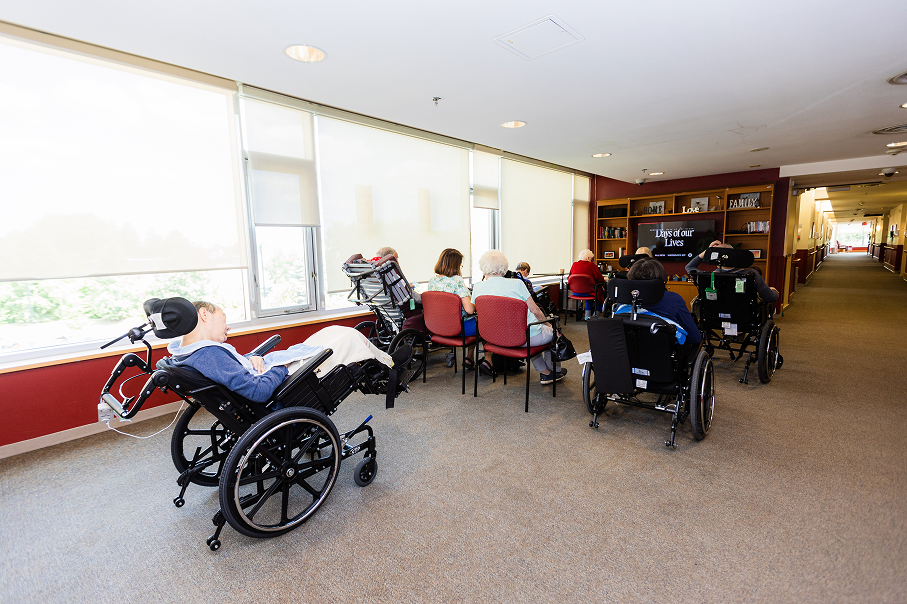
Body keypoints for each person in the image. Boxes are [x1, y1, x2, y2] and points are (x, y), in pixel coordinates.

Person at [168, 301, 392, 403]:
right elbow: (258, 392)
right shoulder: (208, 355)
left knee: (330, 331)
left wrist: (252, 357)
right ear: (205, 315)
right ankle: (388, 364)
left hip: (265, 370)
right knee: (347, 336)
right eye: (224, 318)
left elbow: (233, 368)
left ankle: (383, 359)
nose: (227, 326)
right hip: (282, 386)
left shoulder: (188, 352)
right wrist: (281, 366)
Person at [472, 250, 565, 384]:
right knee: (554, 334)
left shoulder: (478, 287)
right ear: (504, 266)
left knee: (530, 333)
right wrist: (549, 325)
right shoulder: (516, 284)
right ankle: (552, 373)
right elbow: (535, 311)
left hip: (494, 338)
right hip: (522, 337)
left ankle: (545, 372)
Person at [620, 258, 701, 346]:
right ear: (662, 278)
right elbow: (694, 337)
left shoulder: (622, 300)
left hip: (626, 354)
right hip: (664, 355)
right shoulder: (674, 299)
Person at [427, 248, 477, 369]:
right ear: (455, 265)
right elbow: (470, 310)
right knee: (484, 323)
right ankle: (482, 359)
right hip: (457, 328)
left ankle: (471, 358)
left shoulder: (432, 280)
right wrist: (476, 304)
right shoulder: (457, 281)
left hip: (437, 327)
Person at [685, 241, 779, 303]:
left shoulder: (708, 276)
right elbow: (770, 298)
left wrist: (707, 251)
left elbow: (689, 267)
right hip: (744, 316)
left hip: (714, 316)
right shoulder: (750, 274)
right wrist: (774, 292)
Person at [568, 249, 605, 320]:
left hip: (575, 292)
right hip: (588, 293)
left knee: (590, 290)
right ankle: (596, 315)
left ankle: (587, 316)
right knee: (599, 292)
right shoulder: (592, 266)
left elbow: (569, 277)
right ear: (588, 258)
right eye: (591, 258)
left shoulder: (574, 265)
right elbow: (600, 279)